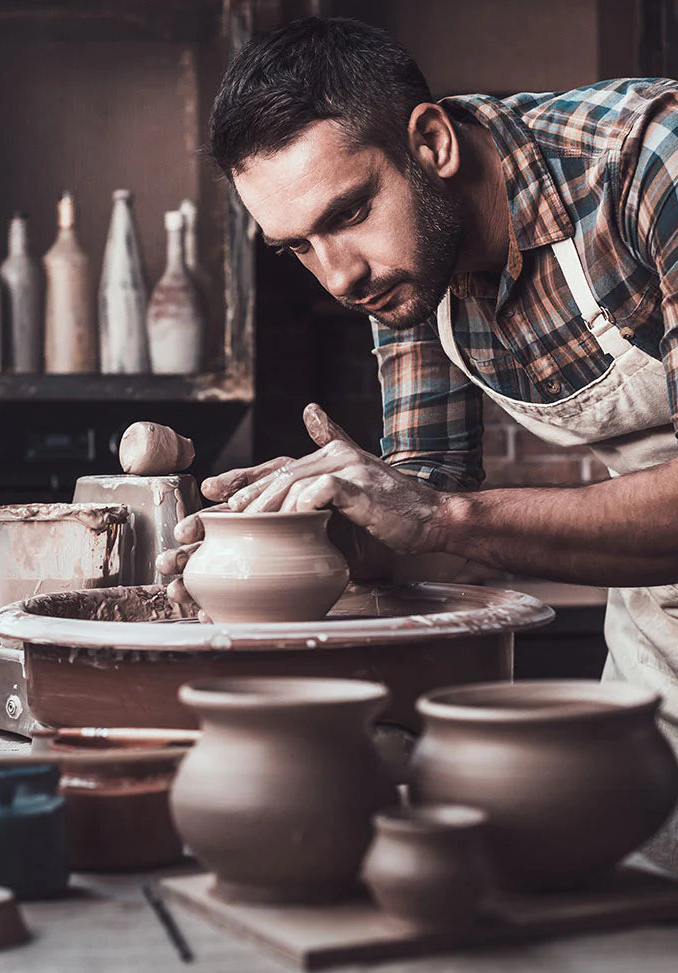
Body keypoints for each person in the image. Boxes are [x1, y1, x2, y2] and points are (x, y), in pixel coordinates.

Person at [156, 17, 678, 868]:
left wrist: (438, 515)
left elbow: (448, 518)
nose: (339, 276)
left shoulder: (648, 164)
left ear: (431, 142)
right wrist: (320, 528)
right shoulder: (405, 274)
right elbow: (436, 531)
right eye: (299, 249)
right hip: (660, 646)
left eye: (349, 214)